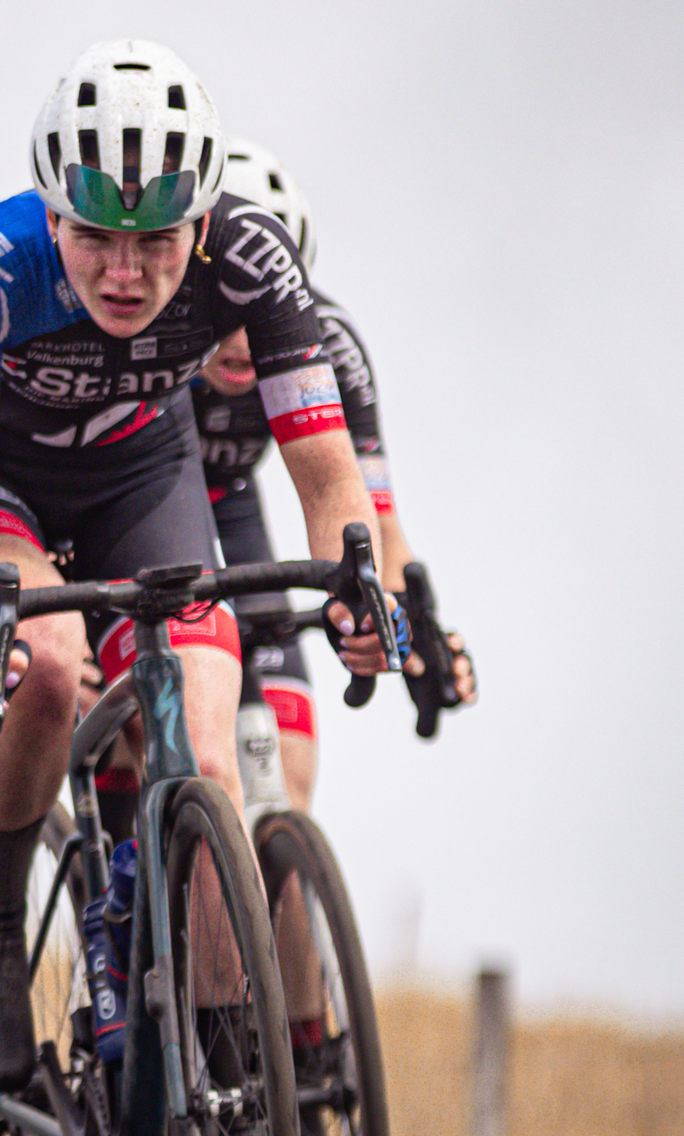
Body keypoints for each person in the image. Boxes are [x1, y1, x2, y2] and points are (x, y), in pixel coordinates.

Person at [0, 39, 394, 1092]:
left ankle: (229, 1078)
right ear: (51, 217)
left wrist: (359, 588)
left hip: (135, 473)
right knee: (48, 668)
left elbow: (327, 479)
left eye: (155, 241)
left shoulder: (249, 260)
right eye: (94, 239)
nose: (123, 272)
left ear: (200, 224)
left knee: (204, 745)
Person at [191, 139, 475, 813]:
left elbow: (376, 519)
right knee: (164, 721)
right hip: (131, 514)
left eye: (261, 314)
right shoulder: (144, 332)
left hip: (229, 505)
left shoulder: (332, 346)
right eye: (224, 311)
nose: (242, 341)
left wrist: (416, 630)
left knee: (288, 776)